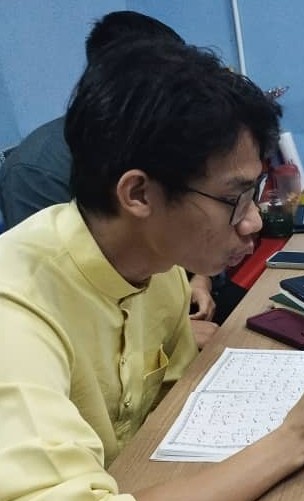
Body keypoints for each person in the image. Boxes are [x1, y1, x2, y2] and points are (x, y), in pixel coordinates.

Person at [0, 38, 304, 501]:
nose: (253, 222)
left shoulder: (158, 269)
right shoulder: (15, 312)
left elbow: (178, 413)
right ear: (139, 195)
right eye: (234, 199)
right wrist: (296, 438)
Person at [0, 11, 218, 348]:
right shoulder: (37, 169)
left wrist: (200, 278)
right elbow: (57, 292)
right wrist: (174, 334)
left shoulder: (164, 143)